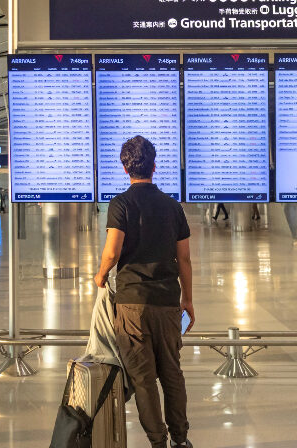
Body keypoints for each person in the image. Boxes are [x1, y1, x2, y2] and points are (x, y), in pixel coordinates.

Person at [94, 136, 194, 448]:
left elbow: (112, 253)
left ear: (125, 168)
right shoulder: (171, 206)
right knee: (172, 373)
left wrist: (99, 277)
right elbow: (185, 258)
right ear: (154, 166)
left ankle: (157, 441)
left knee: (144, 377)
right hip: (166, 302)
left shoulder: (121, 203)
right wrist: (187, 300)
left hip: (132, 304)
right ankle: (181, 438)